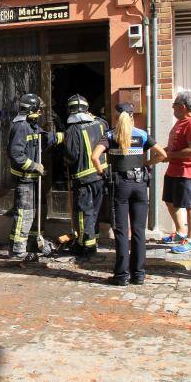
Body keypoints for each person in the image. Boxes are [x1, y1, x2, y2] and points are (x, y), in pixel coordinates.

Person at [91, 103, 166, 285]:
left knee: (122, 231)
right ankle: (138, 274)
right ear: (132, 116)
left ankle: (122, 275)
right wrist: (146, 164)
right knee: (139, 231)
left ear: (117, 117)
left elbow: (94, 157)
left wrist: (102, 172)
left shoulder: (110, 135)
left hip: (120, 186)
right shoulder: (141, 134)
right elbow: (162, 154)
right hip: (139, 184)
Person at [7, 93, 63, 261]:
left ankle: (32, 243)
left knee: (34, 213)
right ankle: (17, 250)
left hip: (32, 179)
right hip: (24, 179)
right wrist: (34, 166)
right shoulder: (21, 127)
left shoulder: (31, 126)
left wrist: (64, 136)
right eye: (38, 109)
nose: (40, 112)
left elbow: (44, 138)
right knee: (24, 214)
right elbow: (16, 155)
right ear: (31, 109)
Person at [161, 90, 191, 254]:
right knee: (169, 201)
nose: (172, 108)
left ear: (182, 107)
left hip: (187, 170)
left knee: (190, 204)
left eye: (174, 105)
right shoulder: (181, 121)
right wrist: (162, 152)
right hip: (174, 169)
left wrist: (169, 155)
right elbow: (175, 146)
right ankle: (181, 231)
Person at [62, 94, 108, 259]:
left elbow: (71, 156)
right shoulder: (101, 124)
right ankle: (93, 240)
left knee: (83, 212)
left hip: (83, 178)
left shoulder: (73, 130)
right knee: (95, 211)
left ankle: (85, 245)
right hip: (101, 175)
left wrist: (64, 159)